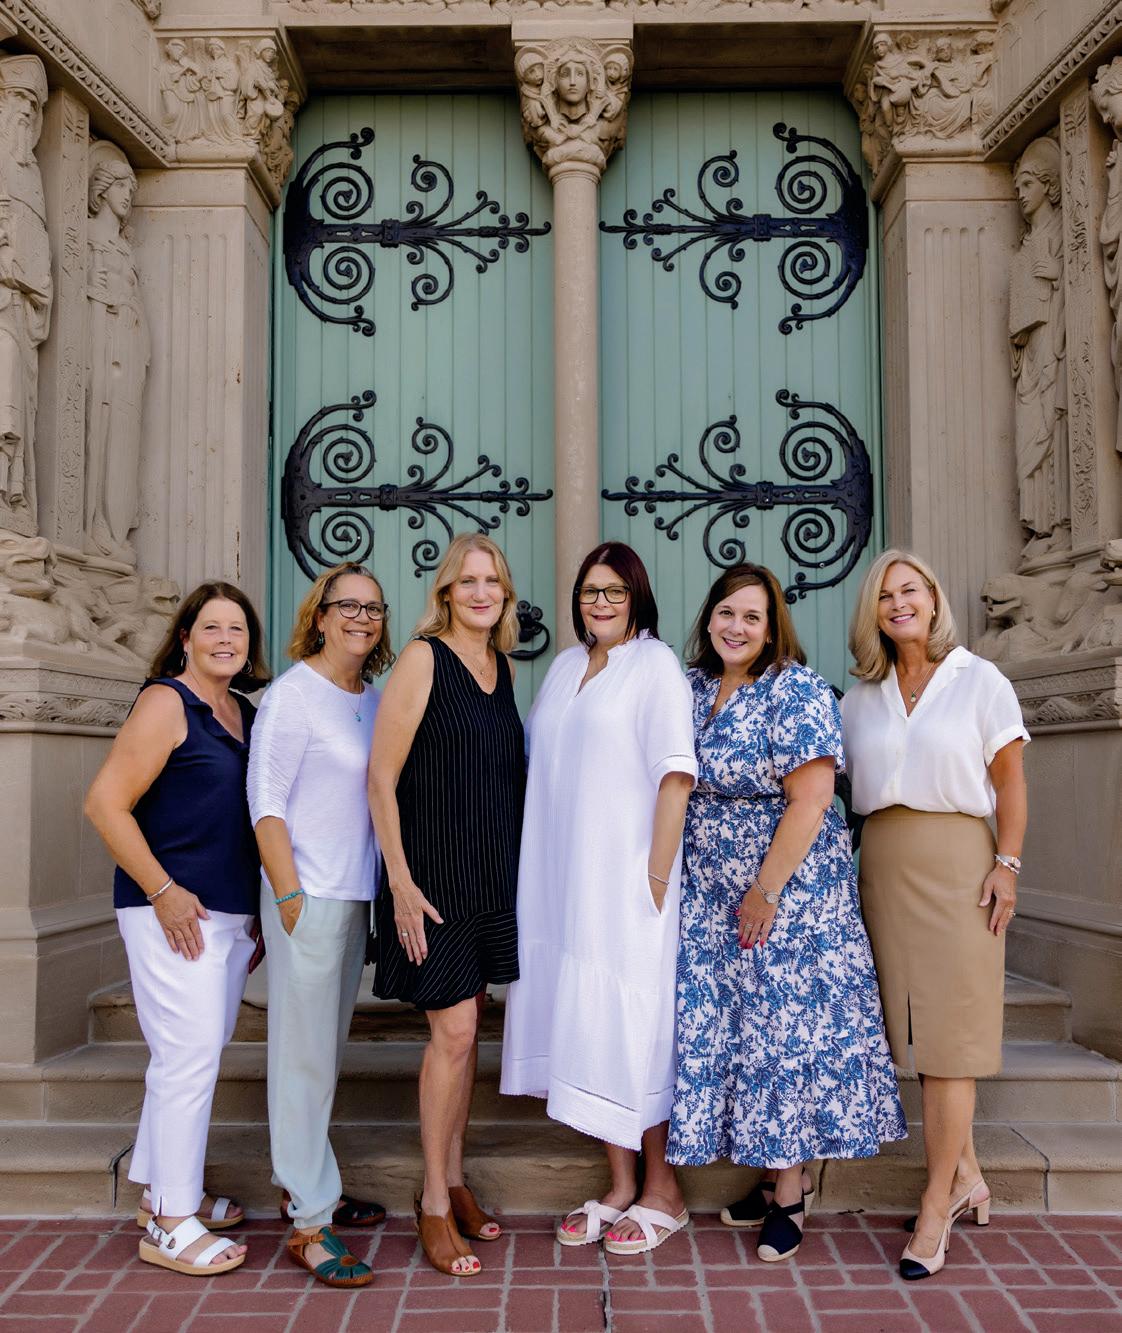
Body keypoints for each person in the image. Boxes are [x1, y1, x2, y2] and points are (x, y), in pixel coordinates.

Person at [666, 565, 906, 1263]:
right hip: (712, 890)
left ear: (772, 628)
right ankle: (771, 1174)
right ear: (709, 617)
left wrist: (764, 891)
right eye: (726, 612)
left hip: (788, 891)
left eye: (752, 616)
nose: (736, 626)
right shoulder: (693, 687)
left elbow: (812, 799)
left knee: (782, 1030)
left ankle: (792, 1192)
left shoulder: (793, 688)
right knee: (741, 1028)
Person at [501, 541, 697, 1256]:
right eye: (590, 590)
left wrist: (654, 876)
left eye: (615, 590)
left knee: (632, 1024)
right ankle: (620, 1183)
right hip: (562, 881)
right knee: (589, 1026)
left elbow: (676, 774)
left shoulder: (655, 665)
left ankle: (663, 1190)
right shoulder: (562, 668)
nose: (601, 602)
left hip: (627, 881)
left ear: (637, 596)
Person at [841, 549, 1029, 1280]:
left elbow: (1010, 782)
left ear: (933, 597)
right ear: (873, 612)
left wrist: (1007, 864)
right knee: (911, 1033)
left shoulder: (980, 680)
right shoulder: (861, 696)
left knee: (951, 1037)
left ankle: (935, 1202)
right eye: (885, 595)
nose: (899, 604)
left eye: (910, 590)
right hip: (883, 863)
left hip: (959, 864)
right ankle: (967, 1173)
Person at [84, 581, 270, 1276]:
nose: (226, 639)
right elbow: (104, 803)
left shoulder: (244, 712)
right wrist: (162, 892)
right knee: (188, 1057)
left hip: (227, 913)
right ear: (186, 637)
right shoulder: (167, 701)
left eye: (237, 629)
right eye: (211, 627)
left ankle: (161, 1189)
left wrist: (253, 912)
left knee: (190, 1054)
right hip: (169, 912)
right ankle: (169, 1221)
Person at [368, 534, 525, 1278]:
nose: (481, 592)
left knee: (469, 1031)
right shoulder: (422, 659)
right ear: (446, 592)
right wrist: (399, 881)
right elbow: (380, 776)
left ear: (505, 594)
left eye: (492, 581)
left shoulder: (503, 668)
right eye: (467, 581)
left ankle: (456, 1178)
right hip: (430, 881)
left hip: (489, 881)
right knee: (454, 1032)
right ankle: (432, 1199)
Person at [248, 561, 394, 1289]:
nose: (361, 618)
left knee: (323, 1051)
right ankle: (309, 1223)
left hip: (354, 894)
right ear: (320, 614)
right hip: (307, 896)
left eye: (373, 608)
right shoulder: (292, 695)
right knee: (302, 1058)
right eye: (348, 605)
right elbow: (266, 803)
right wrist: (289, 897)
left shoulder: (372, 699)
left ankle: (307, 1184)